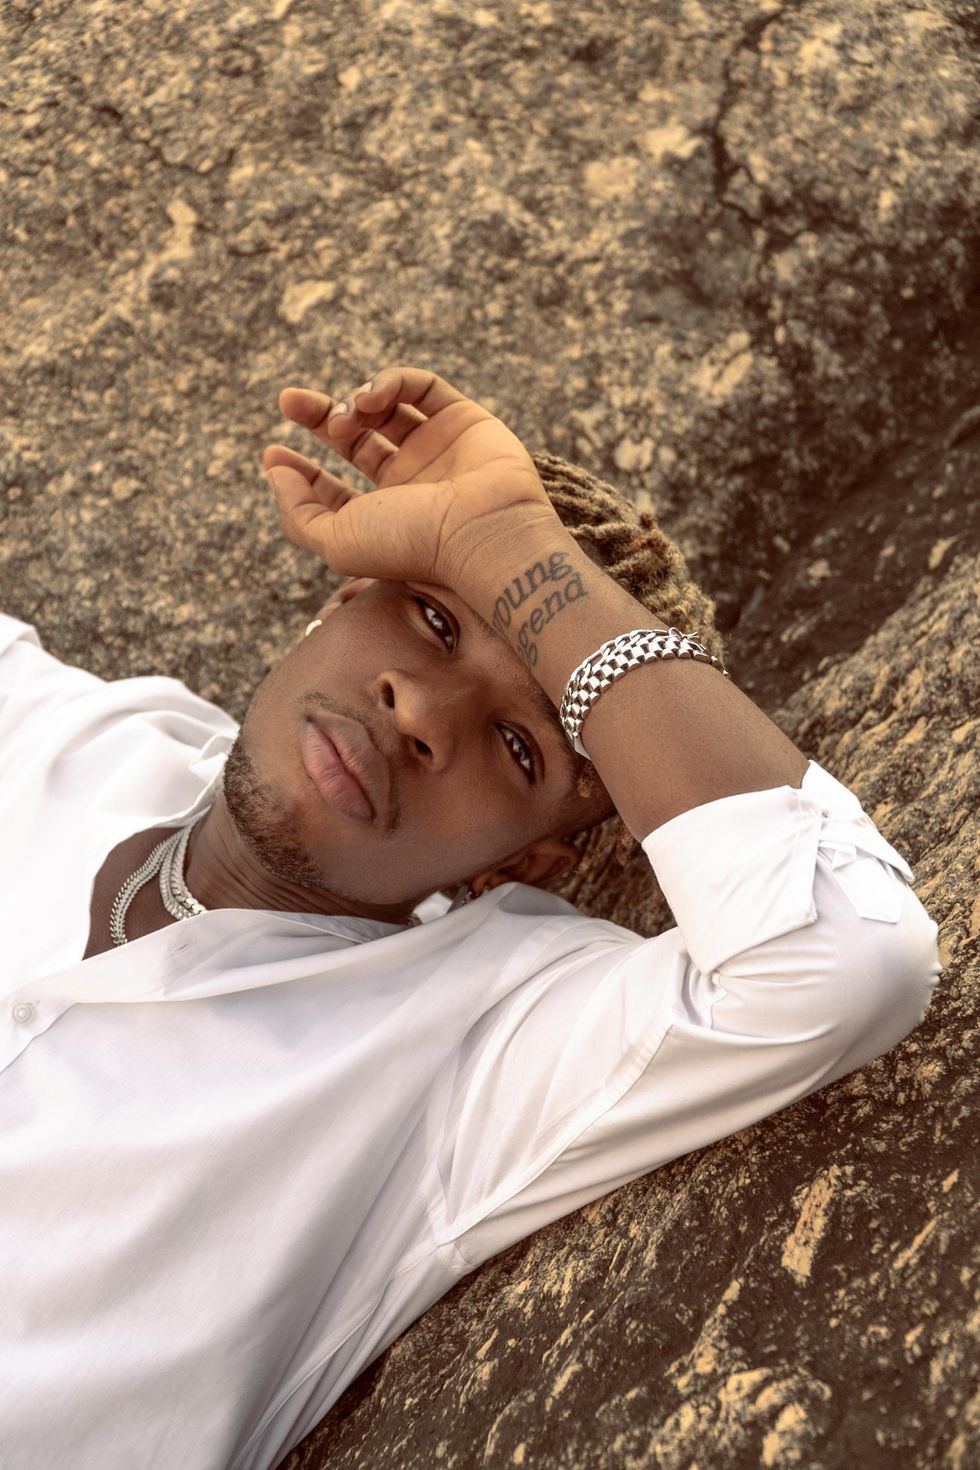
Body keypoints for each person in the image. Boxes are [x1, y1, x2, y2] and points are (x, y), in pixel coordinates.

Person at [0, 366, 941, 1470]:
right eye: (435, 619)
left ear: (527, 862)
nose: (421, 712)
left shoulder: (472, 1046)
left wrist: (500, 547)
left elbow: (841, 955)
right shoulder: (67, 738)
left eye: (517, 748)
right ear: (344, 597)